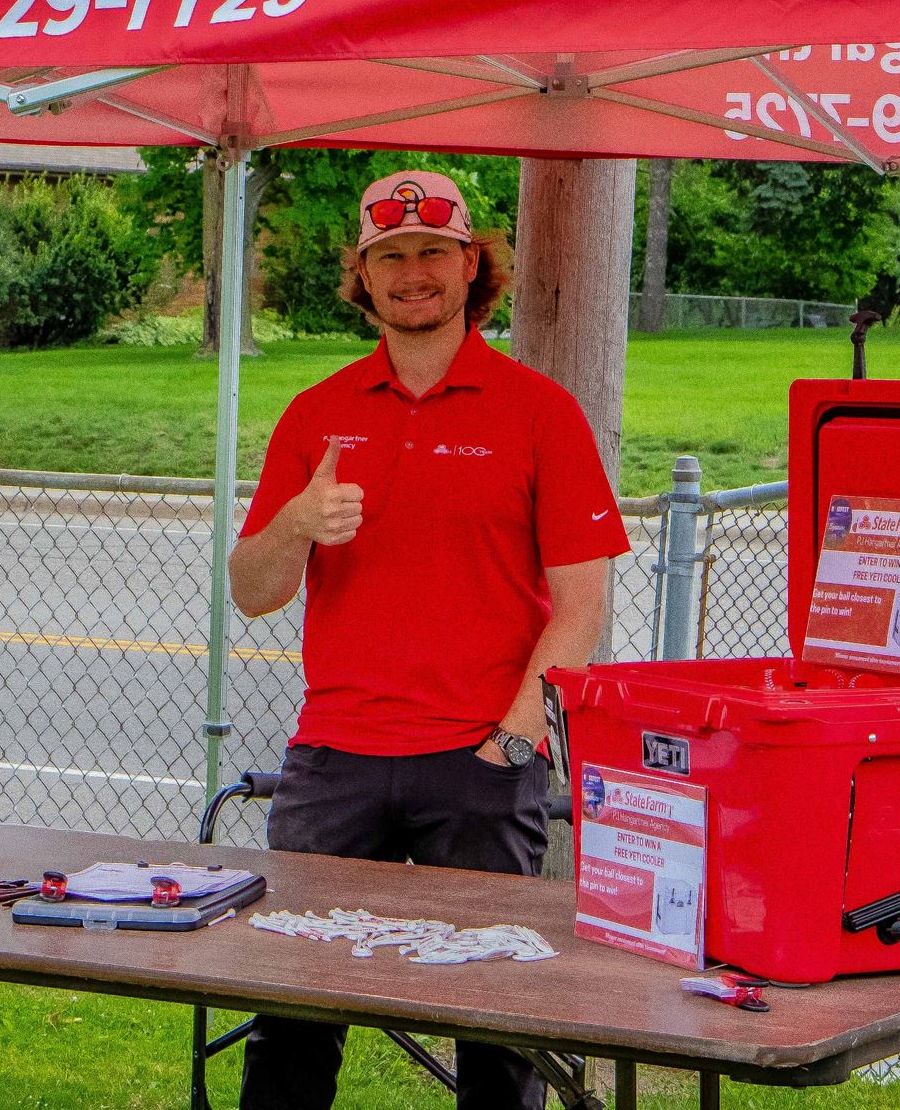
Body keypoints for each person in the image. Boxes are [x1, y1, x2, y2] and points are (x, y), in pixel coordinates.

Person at [229, 169, 629, 1110]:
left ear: (471, 266)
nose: (413, 272)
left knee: (498, 1025)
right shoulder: (317, 413)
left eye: (433, 253)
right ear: (362, 277)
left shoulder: (539, 410)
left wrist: (514, 735)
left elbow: (580, 603)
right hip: (334, 758)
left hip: (480, 761)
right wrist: (295, 522)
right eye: (390, 256)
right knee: (291, 1015)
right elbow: (252, 592)